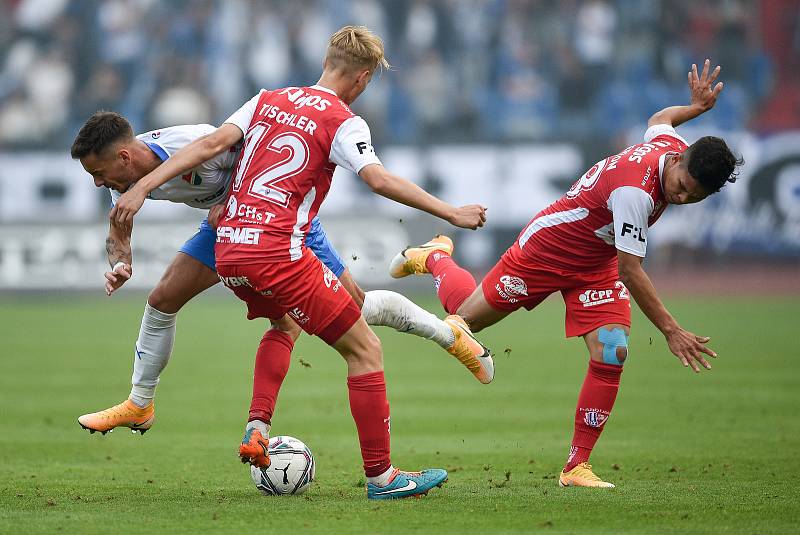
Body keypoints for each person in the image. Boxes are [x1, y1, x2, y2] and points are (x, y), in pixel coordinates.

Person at [107, 26, 490, 499]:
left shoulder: (266, 98)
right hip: (279, 248)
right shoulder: (344, 119)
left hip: (229, 246)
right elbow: (378, 179)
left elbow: (210, 145)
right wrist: (451, 211)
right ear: (363, 78)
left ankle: (257, 428)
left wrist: (141, 188)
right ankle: (384, 478)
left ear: (327, 62)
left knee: (289, 323)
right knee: (364, 350)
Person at [390, 60, 743, 488]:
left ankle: (576, 466)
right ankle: (434, 257)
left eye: (692, 196)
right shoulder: (636, 191)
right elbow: (632, 272)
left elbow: (660, 119)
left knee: (612, 350)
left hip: (596, 263)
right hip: (549, 248)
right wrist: (671, 329)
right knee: (463, 321)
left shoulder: (668, 143)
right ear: (680, 159)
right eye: (682, 183)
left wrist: (694, 109)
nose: (680, 195)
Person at [71, 112, 493, 444]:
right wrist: (120, 262)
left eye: (99, 172)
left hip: (281, 220)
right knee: (163, 299)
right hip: (229, 232)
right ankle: (140, 403)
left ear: (124, 157)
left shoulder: (192, 142)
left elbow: (259, 153)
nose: (98, 182)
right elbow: (118, 226)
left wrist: (235, 200)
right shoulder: (123, 181)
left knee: (356, 310)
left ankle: (449, 334)